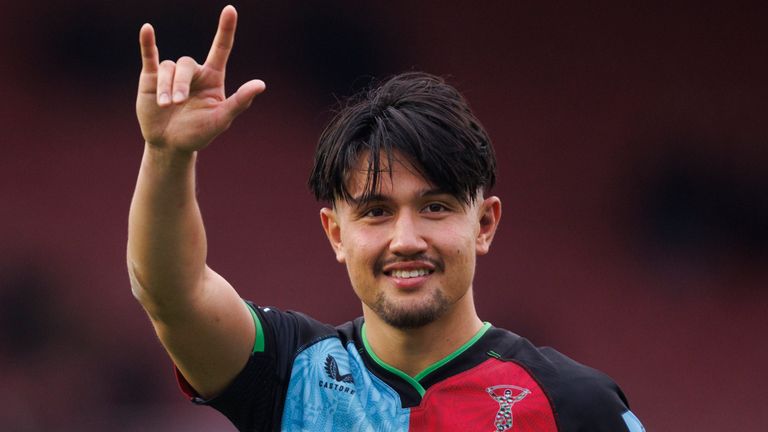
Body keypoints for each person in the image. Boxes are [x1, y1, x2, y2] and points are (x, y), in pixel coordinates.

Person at [128, 5, 645, 432]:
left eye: (435, 207)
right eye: (376, 212)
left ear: (484, 224)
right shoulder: (292, 373)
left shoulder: (576, 406)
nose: (405, 239)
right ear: (335, 233)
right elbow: (173, 295)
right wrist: (167, 155)